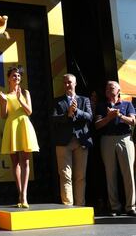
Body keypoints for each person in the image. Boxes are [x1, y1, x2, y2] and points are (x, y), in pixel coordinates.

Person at [0, 66, 39, 208]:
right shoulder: (5, 95)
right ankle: (19, 192)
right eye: (14, 76)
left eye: (19, 76)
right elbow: (3, 115)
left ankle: (24, 195)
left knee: (25, 162)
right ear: (9, 78)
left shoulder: (25, 92)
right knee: (15, 163)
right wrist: (3, 101)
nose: (17, 78)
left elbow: (29, 111)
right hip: (12, 127)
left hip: (24, 125)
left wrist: (20, 99)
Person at [95, 81, 136, 216]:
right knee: (110, 173)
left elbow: (133, 122)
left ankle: (130, 206)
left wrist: (119, 116)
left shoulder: (127, 104)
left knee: (128, 172)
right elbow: (97, 125)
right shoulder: (101, 106)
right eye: (106, 87)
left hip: (125, 138)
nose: (108, 89)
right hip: (107, 139)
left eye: (111, 87)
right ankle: (115, 207)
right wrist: (108, 118)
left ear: (118, 90)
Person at [52, 73, 93, 206]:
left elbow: (89, 117)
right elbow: (53, 119)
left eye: (69, 82)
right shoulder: (57, 101)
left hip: (81, 141)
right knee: (65, 175)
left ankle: (80, 206)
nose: (67, 85)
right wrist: (68, 114)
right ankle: (68, 206)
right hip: (63, 142)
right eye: (65, 83)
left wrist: (77, 112)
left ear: (75, 83)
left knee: (80, 176)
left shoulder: (84, 100)